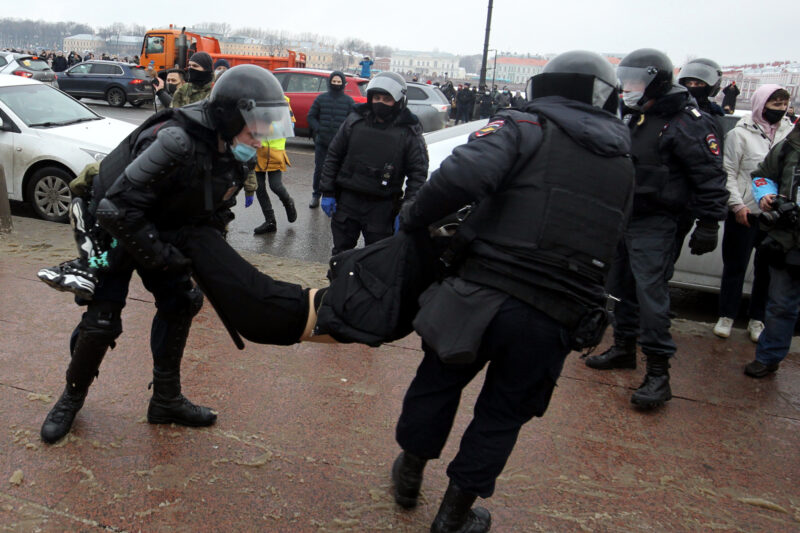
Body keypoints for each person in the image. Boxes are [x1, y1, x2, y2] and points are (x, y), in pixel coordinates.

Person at [388, 50, 634, 533]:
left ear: (546, 85)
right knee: (502, 415)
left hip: (480, 291)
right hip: (555, 311)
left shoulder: (524, 125)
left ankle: (410, 474)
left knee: (439, 383)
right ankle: (453, 516)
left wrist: (413, 218)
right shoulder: (623, 158)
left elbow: (460, 177)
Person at [38, 65, 297, 444]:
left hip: (158, 224)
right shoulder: (175, 141)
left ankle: (166, 399)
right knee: (102, 320)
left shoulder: (236, 151)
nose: (261, 137)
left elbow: (214, 208)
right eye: (255, 126)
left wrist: (205, 253)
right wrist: (164, 257)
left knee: (182, 302)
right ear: (230, 115)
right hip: (109, 225)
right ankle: (70, 398)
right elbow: (116, 209)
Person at [584, 48, 729, 409]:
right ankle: (623, 347)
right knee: (620, 286)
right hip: (626, 215)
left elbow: (710, 176)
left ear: (656, 81)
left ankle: (658, 373)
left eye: (636, 80)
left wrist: (709, 222)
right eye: (626, 79)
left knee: (651, 294)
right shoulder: (637, 115)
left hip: (659, 221)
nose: (628, 86)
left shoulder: (686, 120)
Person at [713, 86, 794, 341]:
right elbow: (728, 172)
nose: (778, 111)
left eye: (782, 106)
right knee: (735, 266)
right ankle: (726, 316)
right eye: (773, 105)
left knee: (766, 271)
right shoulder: (740, 134)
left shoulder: (790, 134)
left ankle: (757, 319)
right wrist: (737, 205)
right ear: (761, 104)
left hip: (775, 216)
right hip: (745, 212)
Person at [318, 72, 428, 256]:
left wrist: (407, 209)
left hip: (382, 207)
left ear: (399, 101)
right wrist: (327, 191)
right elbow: (333, 156)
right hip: (348, 201)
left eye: (387, 99)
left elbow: (418, 174)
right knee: (340, 254)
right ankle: (339, 284)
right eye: (376, 97)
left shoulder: (409, 131)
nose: (380, 103)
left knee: (378, 258)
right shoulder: (354, 121)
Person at [745, 119, 800, 377]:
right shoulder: (789, 146)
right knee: (780, 304)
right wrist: (766, 195)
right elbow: (762, 175)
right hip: (788, 240)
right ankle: (768, 358)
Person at [673, 58, 726, 262]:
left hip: (686, 200)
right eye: (690, 83)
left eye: (700, 84)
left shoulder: (713, 119)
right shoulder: (673, 110)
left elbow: (713, 169)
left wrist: (708, 220)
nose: (693, 88)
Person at [306, 71, 354, 208]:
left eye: (339, 82)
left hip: (340, 144)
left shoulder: (348, 101)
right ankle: (316, 195)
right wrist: (319, 129)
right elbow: (311, 116)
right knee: (320, 170)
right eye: (334, 81)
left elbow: (352, 121)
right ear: (330, 82)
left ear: (343, 83)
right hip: (322, 142)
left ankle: (336, 197)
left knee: (338, 171)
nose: (336, 84)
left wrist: (345, 135)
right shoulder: (321, 99)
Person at [252, 95, 298, 234]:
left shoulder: (283, 102)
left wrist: (266, 126)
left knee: (275, 185)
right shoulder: (254, 101)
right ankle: (270, 221)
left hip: (275, 151)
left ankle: (288, 202)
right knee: (259, 187)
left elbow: (291, 125)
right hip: (257, 150)